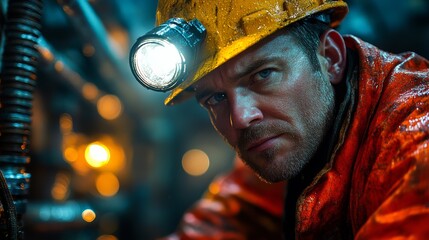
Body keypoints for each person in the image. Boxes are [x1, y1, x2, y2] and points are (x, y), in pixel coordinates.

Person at [132, 0, 429, 238]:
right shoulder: (288, 137)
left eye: (263, 75)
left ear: (331, 57)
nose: (241, 118)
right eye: (216, 98)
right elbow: (230, 218)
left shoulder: (415, 142)